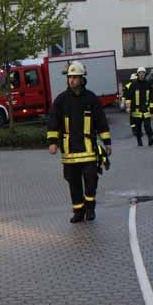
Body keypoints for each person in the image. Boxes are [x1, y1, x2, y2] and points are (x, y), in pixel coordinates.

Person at [47, 61, 112, 223]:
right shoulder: (61, 100)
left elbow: (101, 121)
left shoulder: (91, 99)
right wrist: (52, 142)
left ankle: (90, 209)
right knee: (73, 183)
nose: (72, 80)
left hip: (88, 149)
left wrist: (107, 142)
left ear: (82, 79)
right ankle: (78, 212)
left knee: (91, 182)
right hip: (69, 151)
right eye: (70, 77)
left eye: (75, 77)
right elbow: (53, 122)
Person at [123, 66, 153, 147]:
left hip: (146, 109)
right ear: (138, 74)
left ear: (145, 74)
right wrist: (128, 107)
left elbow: (152, 96)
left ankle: (150, 139)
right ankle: (139, 141)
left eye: (143, 73)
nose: (141, 74)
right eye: (140, 73)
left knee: (148, 126)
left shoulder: (148, 84)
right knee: (138, 127)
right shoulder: (133, 84)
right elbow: (128, 97)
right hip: (136, 110)